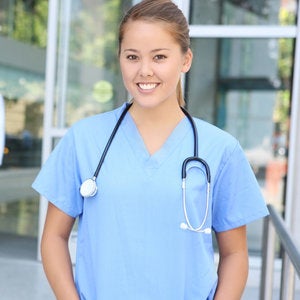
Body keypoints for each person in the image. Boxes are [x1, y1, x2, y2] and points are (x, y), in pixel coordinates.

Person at [32, 0, 269, 299]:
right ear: (119, 57)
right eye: (132, 56)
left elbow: (235, 254)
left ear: (185, 60)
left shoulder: (221, 150)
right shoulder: (84, 139)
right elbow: (53, 237)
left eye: (159, 57)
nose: (144, 71)